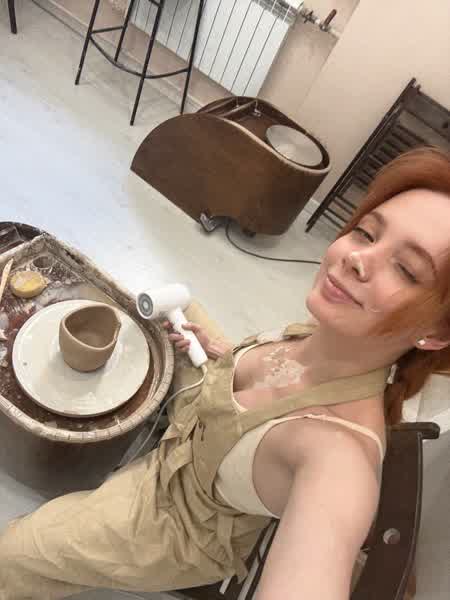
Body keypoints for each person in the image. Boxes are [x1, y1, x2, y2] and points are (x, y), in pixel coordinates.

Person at [1, 146, 450, 600]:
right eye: (366, 233)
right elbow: (270, 374)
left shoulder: (337, 460)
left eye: (406, 270)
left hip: (172, 518)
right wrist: (221, 354)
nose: (357, 258)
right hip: (198, 433)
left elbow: (317, 554)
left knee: (15, 553)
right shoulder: (331, 330)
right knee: (174, 310)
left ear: (434, 334)